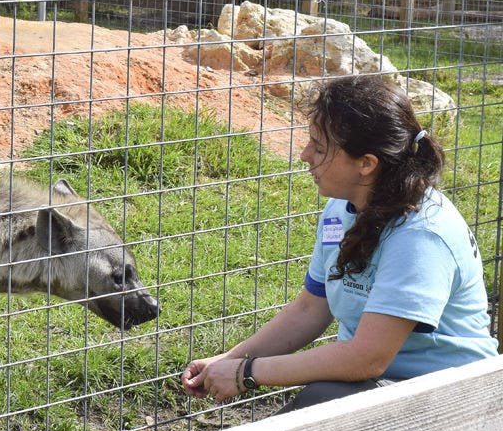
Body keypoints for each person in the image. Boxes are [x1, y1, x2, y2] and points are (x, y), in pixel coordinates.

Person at [181, 74, 498, 413]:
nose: (304, 156)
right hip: (380, 384)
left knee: (314, 408)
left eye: (319, 148)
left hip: (454, 398)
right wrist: (228, 360)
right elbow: (310, 310)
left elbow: (366, 358)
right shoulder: (341, 209)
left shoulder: (422, 236)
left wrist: (247, 372)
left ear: (366, 164)